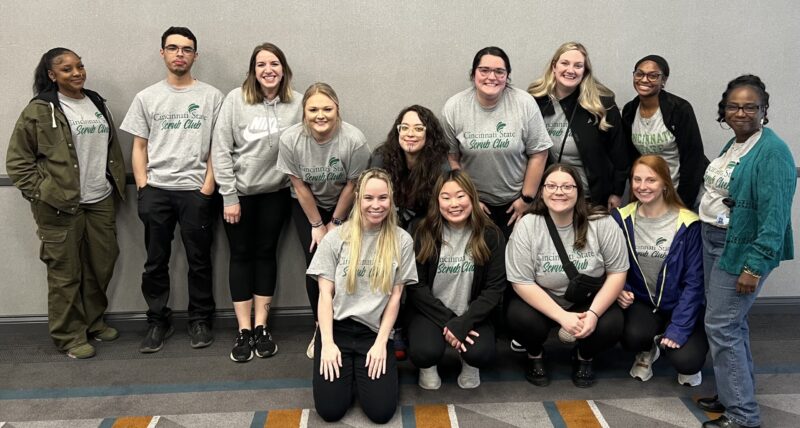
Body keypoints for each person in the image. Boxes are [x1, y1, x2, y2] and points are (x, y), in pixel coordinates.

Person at [6, 48, 126, 359]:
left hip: (99, 198)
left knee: (102, 264)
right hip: (60, 206)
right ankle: (69, 336)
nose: (76, 73)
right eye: (67, 69)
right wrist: (43, 193)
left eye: (80, 66)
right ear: (51, 75)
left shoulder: (95, 102)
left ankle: (93, 322)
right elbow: (18, 162)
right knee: (65, 272)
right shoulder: (40, 110)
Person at [696, 75, 795, 428]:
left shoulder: (772, 152)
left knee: (722, 326)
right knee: (730, 325)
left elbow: (775, 216)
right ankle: (730, 394)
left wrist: (754, 266)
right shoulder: (736, 143)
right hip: (715, 239)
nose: (741, 112)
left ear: (764, 110)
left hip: (739, 250)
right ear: (724, 110)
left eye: (750, 106)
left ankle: (742, 414)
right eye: (733, 106)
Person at [121, 26, 224, 353]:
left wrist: (208, 186)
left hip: (196, 191)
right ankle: (157, 320)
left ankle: (200, 319)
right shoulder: (147, 97)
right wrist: (143, 187)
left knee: (199, 260)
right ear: (162, 53)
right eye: (173, 48)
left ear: (195, 55)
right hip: (157, 191)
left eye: (187, 49)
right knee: (155, 261)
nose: (180, 54)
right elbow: (138, 146)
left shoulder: (212, 97)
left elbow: (219, 148)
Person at [212, 43, 301, 362]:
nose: (268, 70)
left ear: (284, 68)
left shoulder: (298, 103)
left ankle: (262, 327)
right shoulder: (235, 100)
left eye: (274, 63)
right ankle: (243, 330)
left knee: (266, 255)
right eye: (261, 64)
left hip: (275, 196)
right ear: (253, 71)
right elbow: (220, 149)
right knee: (240, 256)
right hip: (239, 197)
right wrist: (229, 196)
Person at [306, 168, 417, 424]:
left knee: (381, 413)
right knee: (330, 412)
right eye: (369, 198)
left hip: (373, 332)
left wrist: (381, 344)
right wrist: (328, 343)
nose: (376, 205)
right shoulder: (336, 238)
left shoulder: (402, 240)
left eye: (382, 198)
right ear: (358, 199)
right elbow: (324, 295)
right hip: (337, 330)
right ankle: (347, 369)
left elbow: (396, 296)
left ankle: (362, 370)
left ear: (391, 199)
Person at [505, 164, 628, 388]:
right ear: (542, 191)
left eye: (567, 186)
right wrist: (562, 317)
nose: (559, 191)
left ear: (579, 192)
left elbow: (617, 273)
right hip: (544, 300)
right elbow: (520, 281)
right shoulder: (528, 225)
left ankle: (584, 356)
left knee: (611, 322)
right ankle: (534, 355)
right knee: (518, 317)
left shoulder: (602, 222)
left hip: (586, 299)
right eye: (551, 186)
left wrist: (592, 313)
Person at [276, 82, 371, 359]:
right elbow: (299, 186)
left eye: (327, 109)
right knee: (316, 265)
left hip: (346, 205)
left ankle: (348, 324)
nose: (321, 115)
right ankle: (321, 328)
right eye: (313, 109)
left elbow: (353, 186)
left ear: (337, 109)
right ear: (304, 111)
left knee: (349, 264)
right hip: (308, 207)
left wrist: (336, 223)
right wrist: (318, 226)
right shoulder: (290, 140)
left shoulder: (354, 140)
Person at [612, 155, 707, 387]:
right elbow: (610, 263)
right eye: (637, 180)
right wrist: (620, 289)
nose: (642, 187)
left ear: (665, 182)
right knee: (632, 336)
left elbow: (695, 283)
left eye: (651, 180)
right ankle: (648, 348)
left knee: (687, 361)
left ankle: (670, 334)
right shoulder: (620, 218)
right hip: (644, 302)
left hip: (681, 304)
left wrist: (679, 328)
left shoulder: (689, 223)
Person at [407, 169, 506, 390]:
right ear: (437, 201)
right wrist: (451, 320)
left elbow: (494, 288)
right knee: (424, 352)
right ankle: (428, 366)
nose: (454, 204)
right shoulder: (421, 231)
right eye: (446, 197)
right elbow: (415, 286)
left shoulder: (491, 234)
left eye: (460, 196)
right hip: (431, 312)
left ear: (472, 197)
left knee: (481, 353)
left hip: (473, 312)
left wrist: (465, 321)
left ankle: (469, 362)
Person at [442, 46, 551, 239]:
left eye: (499, 72)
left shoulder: (524, 103)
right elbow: (452, 157)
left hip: (515, 204)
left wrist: (526, 199)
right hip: (474, 205)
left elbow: (539, 153)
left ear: (507, 76)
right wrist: (469, 199)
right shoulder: (454, 107)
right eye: (484, 70)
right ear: (473, 73)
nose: (491, 77)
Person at [529, 42, 629, 210]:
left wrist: (617, 192)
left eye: (578, 65)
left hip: (590, 199)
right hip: (550, 196)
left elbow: (620, 155)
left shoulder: (602, 104)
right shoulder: (535, 101)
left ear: (585, 71)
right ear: (554, 66)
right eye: (565, 63)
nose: (570, 70)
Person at [621, 55, 708, 208]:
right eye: (639, 74)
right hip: (649, 194)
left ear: (664, 81)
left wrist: (682, 203)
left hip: (680, 193)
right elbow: (631, 158)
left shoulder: (679, 109)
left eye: (653, 76)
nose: (645, 79)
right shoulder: (629, 110)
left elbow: (693, 159)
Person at [369, 105, 449, 230]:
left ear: (429, 133)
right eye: (405, 128)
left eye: (418, 129)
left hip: (426, 226)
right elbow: (370, 199)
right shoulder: (381, 159)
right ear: (398, 131)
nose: (410, 134)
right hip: (386, 221)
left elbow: (441, 210)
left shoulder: (440, 166)